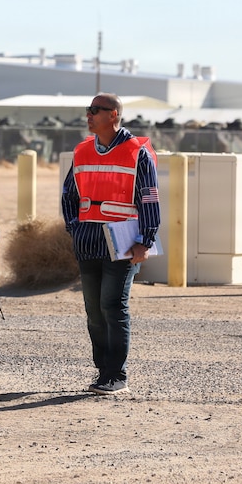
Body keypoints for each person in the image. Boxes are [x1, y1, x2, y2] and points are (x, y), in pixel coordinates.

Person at [61, 92, 160, 395]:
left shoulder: (137, 152)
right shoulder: (82, 151)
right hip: (88, 241)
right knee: (94, 311)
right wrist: (75, 228)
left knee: (112, 306)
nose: (89, 115)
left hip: (123, 242)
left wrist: (145, 240)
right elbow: (69, 195)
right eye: (88, 109)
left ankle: (117, 375)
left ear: (113, 114)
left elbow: (149, 198)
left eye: (95, 109)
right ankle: (103, 371)